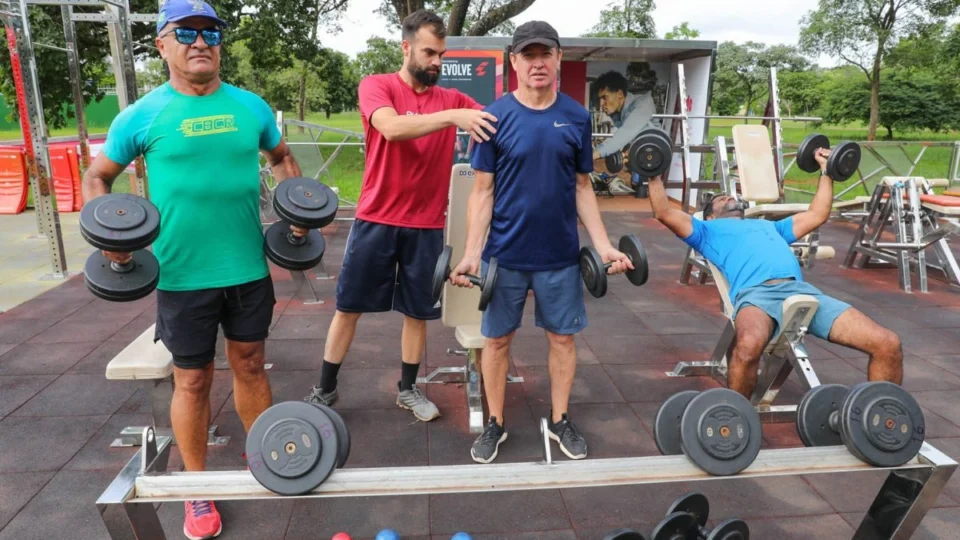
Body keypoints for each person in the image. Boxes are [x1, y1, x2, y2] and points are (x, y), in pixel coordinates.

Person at [81, 1, 302, 538]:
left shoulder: (250, 107)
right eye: (185, 32)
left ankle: (264, 457)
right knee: (193, 378)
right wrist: (113, 240)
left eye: (211, 32)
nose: (200, 41)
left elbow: (283, 161)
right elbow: (98, 179)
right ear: (162, 44)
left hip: (247, 267)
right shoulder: (141, 115)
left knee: (251, 364)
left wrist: (298, 214)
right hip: (181, 275)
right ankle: (196, 489)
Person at [450, 21, 633, 464]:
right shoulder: (494, 118)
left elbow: (583, 187)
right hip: (505, 256)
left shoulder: (575, 115)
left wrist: (604, 245)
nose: (537, 63)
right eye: (528, 55)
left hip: (559, 257)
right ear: (514, 62)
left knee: (563, 340)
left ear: (558, 59)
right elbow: (482, 192)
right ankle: (495, 422)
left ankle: (560, 418)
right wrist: (472, 253)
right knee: (495, 342)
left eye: (544, 54)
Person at [303, 10, 496, 422]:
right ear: (406, 47)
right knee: (348, 307)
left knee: (417, 313)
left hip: (425, 225)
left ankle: (407, 390)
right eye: (429, 52)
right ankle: (325, 389)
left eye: (441, 55)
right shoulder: (378, 86)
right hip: (376, 219)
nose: (436, 63)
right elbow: (391, 129)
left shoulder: (450, 99)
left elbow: (497, 121)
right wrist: (451, 118)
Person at [647, 150, 903, 399]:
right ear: (711, 215)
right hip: (757, 297)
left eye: (730, 196)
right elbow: (663, 212)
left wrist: (827, 171)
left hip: (802, 293)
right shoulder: (706, 232)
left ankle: (885, 419)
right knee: (747, 349)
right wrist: (654, 174)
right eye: (721, 199)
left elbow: (817, 214)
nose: (729, 198)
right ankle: (736, 420)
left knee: (887, 344)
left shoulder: (770, 226)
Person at [592, 70, 657, 196]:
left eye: (605, 97)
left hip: (655, 163)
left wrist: (595, 153)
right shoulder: (620, 113)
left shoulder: (643, 104)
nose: (602, 104)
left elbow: (626, 132)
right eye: (600, 99)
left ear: (620, 94)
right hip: (640, 165)